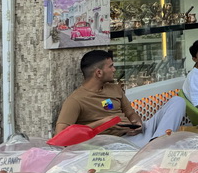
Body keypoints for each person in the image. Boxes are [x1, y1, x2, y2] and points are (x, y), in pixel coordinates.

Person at [54, 50, 185, 147]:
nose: (114, 69)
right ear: (98, 72)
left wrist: (136, 123)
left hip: (135, 133)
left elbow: (131, 113)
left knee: (178, 101)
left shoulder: (114, 88)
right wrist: (104, 122)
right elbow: (60, 135)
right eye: (110, 66)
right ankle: (156, 146)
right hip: (115, 142)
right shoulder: (76, 100)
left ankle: (157, 144)